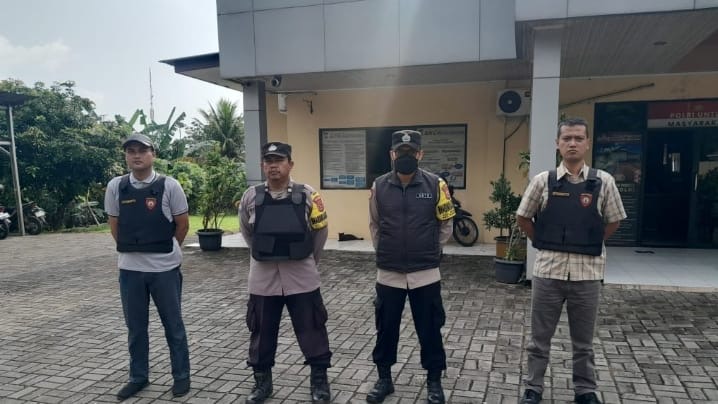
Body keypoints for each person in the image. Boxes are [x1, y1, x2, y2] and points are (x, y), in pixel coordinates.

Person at [516, 118, 626, 404]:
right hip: (548, 273)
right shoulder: (543, 181)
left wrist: (591, 241)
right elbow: (523, 217)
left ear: (587, 143)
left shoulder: (604, 182)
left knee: (584, 343)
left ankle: (585, 390)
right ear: (558, 144)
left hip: (587, 275)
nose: (572, 143)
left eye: (578, 138)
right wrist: (541, 242)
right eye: (567, 138)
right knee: (539, 340)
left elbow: (614, 221)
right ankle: (533, 388)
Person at [238, 141, 332, 404]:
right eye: (268, 161)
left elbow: (320, 232)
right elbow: (247, 233)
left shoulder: (308, 195)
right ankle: (262, 383)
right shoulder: (250, 196)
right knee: (261, 332)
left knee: (312, 329)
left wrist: (308, 261)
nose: (273, 166)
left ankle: (319, 382)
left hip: (302, 278)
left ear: (290, 164)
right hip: (263, 279)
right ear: (262, 165)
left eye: (279, 160)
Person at [367, 130, 456, 404]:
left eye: (411, 152)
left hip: (425, 273)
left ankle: (434, 382)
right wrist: (387, 250)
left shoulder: (436, 184)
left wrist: (429, 250)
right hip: (389, 272)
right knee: (386, 329)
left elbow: (446, 225)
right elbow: (375, 224)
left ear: (420, 154)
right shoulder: (379, 186)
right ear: (392, 154)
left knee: (430, 329)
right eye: (400, 152)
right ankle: (384, 379)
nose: (405, 156)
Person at [104, 133, 191, 400]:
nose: (136, 155)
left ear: (153, 154)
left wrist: (166, 249)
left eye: (142, 150)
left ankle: (181, 377)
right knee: (136, 328)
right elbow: (115, 225)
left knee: (173, 326)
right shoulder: (116, 186)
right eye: (131, 151)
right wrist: (134, 248)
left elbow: (182, 225)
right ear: (126, 156)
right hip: (130, 270)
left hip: (164, 270)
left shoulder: (170, 186)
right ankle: (138, 377)